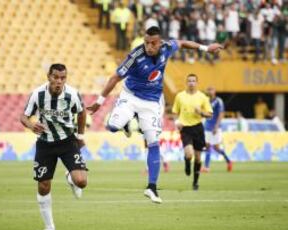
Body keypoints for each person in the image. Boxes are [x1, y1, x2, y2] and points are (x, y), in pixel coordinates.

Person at [87, 25, 223, 203]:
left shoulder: (167, 47)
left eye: (153, 43)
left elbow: (182, 43)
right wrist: (99, 102)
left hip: (152, 102)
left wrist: (205, 48)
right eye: (146, 43)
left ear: (160, 42)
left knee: (153, 143)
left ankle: (152, 187)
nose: (149, 46)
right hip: (131, 96)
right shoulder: (135, 56)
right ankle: (129, 122)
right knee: (112, 127)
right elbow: (114, 78)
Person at [20, 63, 88, 230]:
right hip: (45, 143)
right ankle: (49, 228)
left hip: (67, 141)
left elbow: (81, 113)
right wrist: (31, 125)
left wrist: (80, 137)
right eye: (55, 77)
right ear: (48, 77)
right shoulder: (38, 94)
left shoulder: (72, 94)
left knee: (81, 182)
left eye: (63, 78)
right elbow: (24, 116)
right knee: (43, 185)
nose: (59, 81)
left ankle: (70, 178)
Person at [172, 74, 213, 191]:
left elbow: (210, 114)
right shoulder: (180, 96)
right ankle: (187, 162)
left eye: (193, 81)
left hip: (198, 128)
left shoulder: (202, 97)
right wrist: (177, 121)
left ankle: (195, 182)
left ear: (197, 83)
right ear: (186, 82)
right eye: (189, 81)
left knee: (199, 158)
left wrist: (201, 112)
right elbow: (175, 112)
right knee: (189, 154)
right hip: (185, 128)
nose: (191, 83)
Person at [201, 87, 232, 173]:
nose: (209, 91)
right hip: (207, 127)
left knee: (215, 147)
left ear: (215, 91)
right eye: (208, 89)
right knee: (209, 146)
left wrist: (216, 126)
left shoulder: (218, 101)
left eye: (211, 89)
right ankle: (207, 167)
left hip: (215, 128)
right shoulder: (206, 101)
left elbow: (221, 114)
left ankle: (228, 161)